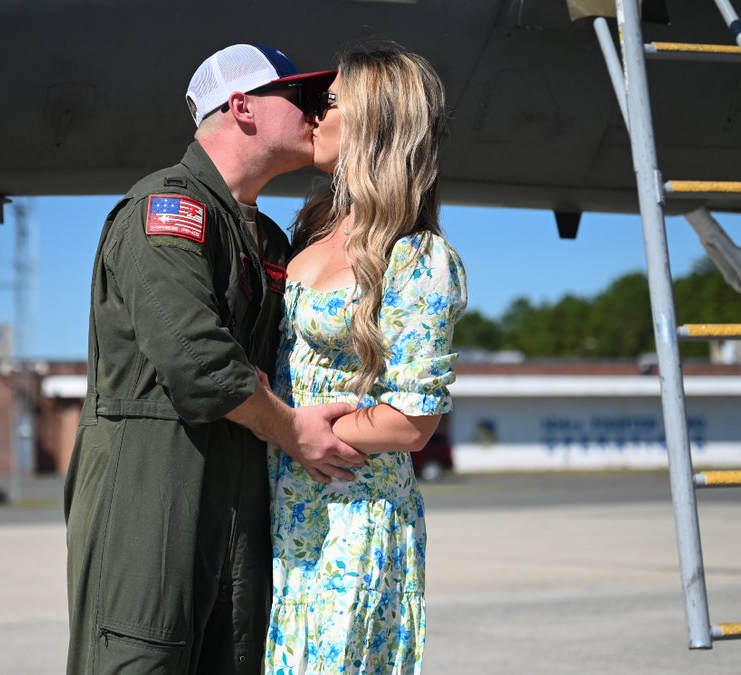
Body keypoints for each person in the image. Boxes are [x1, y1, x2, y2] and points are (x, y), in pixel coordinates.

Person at [64, 44, 367, 675]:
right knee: (143, 656)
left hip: (238, 486)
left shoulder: (266, 239)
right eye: (300, 97)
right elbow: (197, 362)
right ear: (243, 108)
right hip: (153, 487)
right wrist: (289, 427)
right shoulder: (168, 210)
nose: (317, 112)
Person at [264, 44, 467, 674]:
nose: (312, 116)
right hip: (279, 514)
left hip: (350, 523)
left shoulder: (417, 257)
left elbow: (412, 420)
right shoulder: (312, 229)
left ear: (374, 122)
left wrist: (292, 433)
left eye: (328, 103)